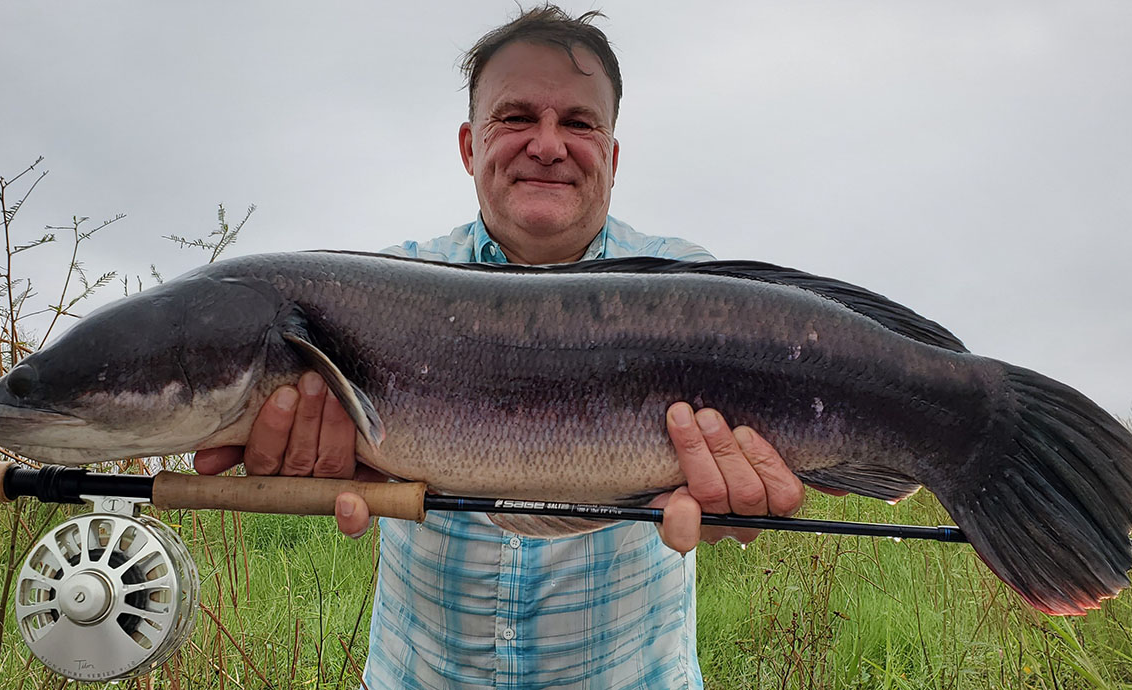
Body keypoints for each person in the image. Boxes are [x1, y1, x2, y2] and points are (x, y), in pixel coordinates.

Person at [195, 6, 806, 688]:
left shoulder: (696, 289)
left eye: (578, 123)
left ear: (611, 153)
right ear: (468, 145)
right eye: (517, 117)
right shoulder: (382, 288)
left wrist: (743, 500)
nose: (547, 144)